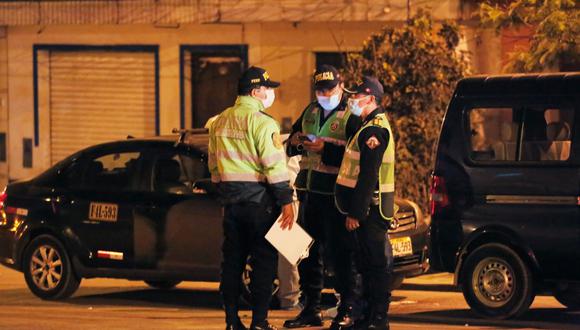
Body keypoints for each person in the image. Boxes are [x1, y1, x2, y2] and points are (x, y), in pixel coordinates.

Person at [208, 66, 295, 330]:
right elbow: (274, 166)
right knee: (263, 263)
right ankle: (259, 322)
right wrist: (286, 201)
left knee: (232, 263)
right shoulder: (263, 122)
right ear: (256, 91)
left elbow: (214, 165)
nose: (270, 94)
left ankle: (232, 321)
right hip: (259, 203)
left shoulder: (219, 120)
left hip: (231, 204)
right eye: (267, 89)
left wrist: (222, 187)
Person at [283, 65, 361, 329]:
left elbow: (357, 155)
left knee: (341, 255)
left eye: (329, 89)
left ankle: (347, 308)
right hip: (309, 192)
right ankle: (310, 308)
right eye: (320, 90)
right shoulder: (310, 110)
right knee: (306, 252)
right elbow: (291, 143)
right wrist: (295, 141)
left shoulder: (352, 115)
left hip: (336, 195)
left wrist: (325, 149)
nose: (324, 94)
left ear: (341, 87)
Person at [335, 76, 395, 330]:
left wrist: (356, 213)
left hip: (371, 210)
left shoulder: (374, 130)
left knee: (375, 265)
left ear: (370, 99)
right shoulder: (366, 125)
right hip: (367, 209)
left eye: (357, 96)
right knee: (366, 264)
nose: (352, 100)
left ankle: (377, 318)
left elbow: (368, 175)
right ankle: (367, 316)